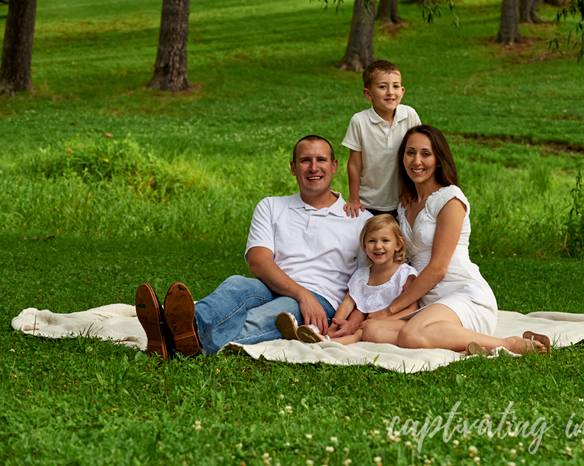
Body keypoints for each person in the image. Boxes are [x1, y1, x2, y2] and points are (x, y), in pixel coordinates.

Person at [135, 135, 374, 360]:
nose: (313, 168)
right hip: (271, 286)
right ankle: (185, 325)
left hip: (322, 301)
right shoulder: (271, 206)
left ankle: (171, 339)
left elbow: (368, 281)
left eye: (321, 160)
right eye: (305, 161)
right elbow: (259, 262)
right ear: (293, 167)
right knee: (236, 284)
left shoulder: (359, 220)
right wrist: (302, 293)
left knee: (271, 316)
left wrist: (351, 319)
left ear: (334, 166)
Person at [361, 125, 551, 355]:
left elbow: (439, 268)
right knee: (373, 331)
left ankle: (507, 343)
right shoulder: (404, 204)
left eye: (426, 154)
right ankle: (462, 344)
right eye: (410, 153)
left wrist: (391, 309)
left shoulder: (450, 199)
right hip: (428, 302)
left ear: (439, 160)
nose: (416, 161)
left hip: (462, 293)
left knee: (411, 335)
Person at [275, 214, 419, 344]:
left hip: (396, 323)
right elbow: (347, 304)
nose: (378, 246)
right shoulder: (362, 276)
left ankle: (326, 343)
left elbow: (411, 309)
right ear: (364, 245)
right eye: (372, 241)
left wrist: (381, 321)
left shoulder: (404, 274)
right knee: (350, 327)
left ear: (398, 245)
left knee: (360, 334)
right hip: (365, 322)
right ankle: (317, 334)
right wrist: (334, 325)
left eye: (385, 240)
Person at [342, 60, 422, 219]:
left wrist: (410, 190)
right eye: (382, 87)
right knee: (373, 242)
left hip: (403, 200)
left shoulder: (409, 115)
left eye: (396, 86)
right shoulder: (359, 121)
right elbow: (354, 164)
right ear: (368, 93)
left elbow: (417, 157)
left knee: (398, 242)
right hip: (369, 203)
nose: (390, 92)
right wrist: (354, 199)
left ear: (402, 91)